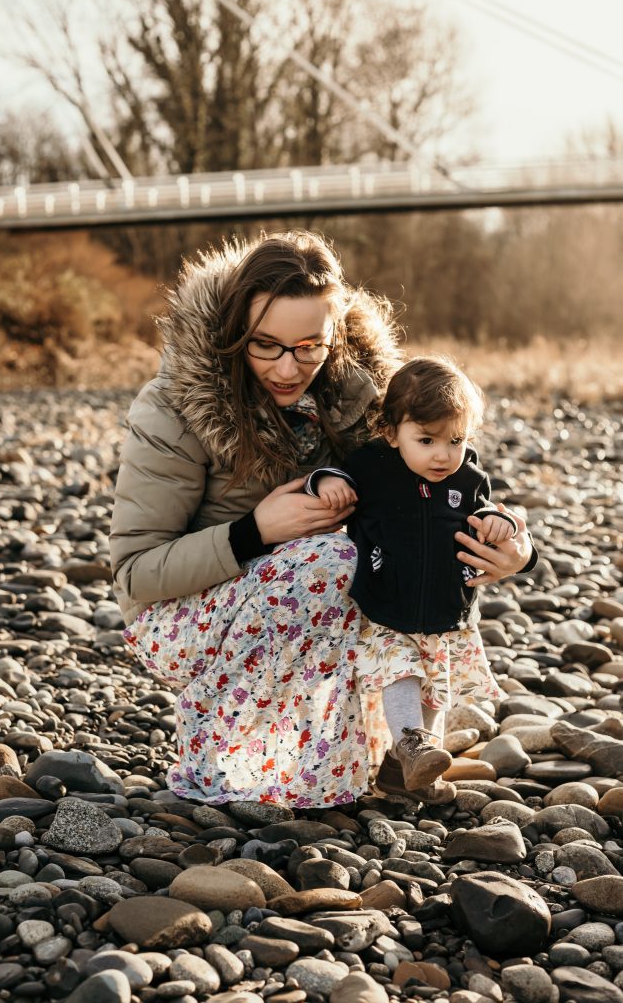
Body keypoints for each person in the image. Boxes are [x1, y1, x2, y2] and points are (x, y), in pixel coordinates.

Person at [111, 230, 536, 808]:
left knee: (423, 548)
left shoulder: (365, 401)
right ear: (236, 334)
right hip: (179, 618)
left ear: (335, 338)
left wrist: (515, 550)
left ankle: (403, 748)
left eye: (311, 345)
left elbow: (449, 483)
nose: (289, 367)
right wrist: (254, 531)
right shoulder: (172, 409)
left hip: (303, 593)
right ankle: (252, 765)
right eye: (266, 345)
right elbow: (134, 574)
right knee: (331, 561)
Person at [307, 355, 528, 804]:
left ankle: (403, 774)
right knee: (402, 673)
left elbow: (485, 510)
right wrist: (326, 482)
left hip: (445, 613)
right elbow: (329, 475)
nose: (443, 454)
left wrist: (496, 523)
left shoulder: (466, 478)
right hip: (387, 606)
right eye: (426, 440)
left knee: (434, 694)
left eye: (456, 440)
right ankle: (409, 744)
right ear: (392, 433)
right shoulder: (374, 466)